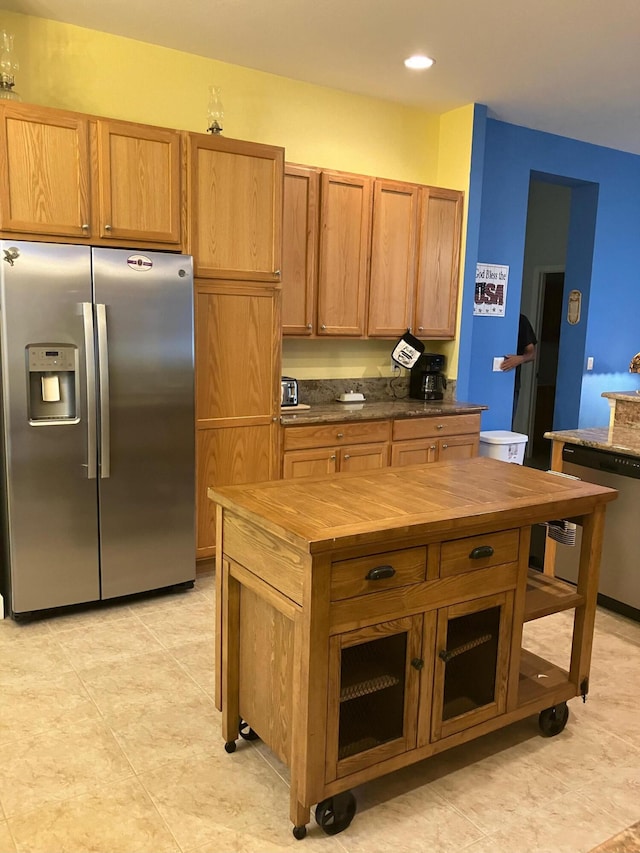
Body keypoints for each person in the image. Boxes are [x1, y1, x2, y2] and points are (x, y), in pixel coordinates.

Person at [500, 313, 537, 425]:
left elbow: (532, 354)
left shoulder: (521, 320)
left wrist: (520, 359)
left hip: (511, 384)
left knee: (505, 426)